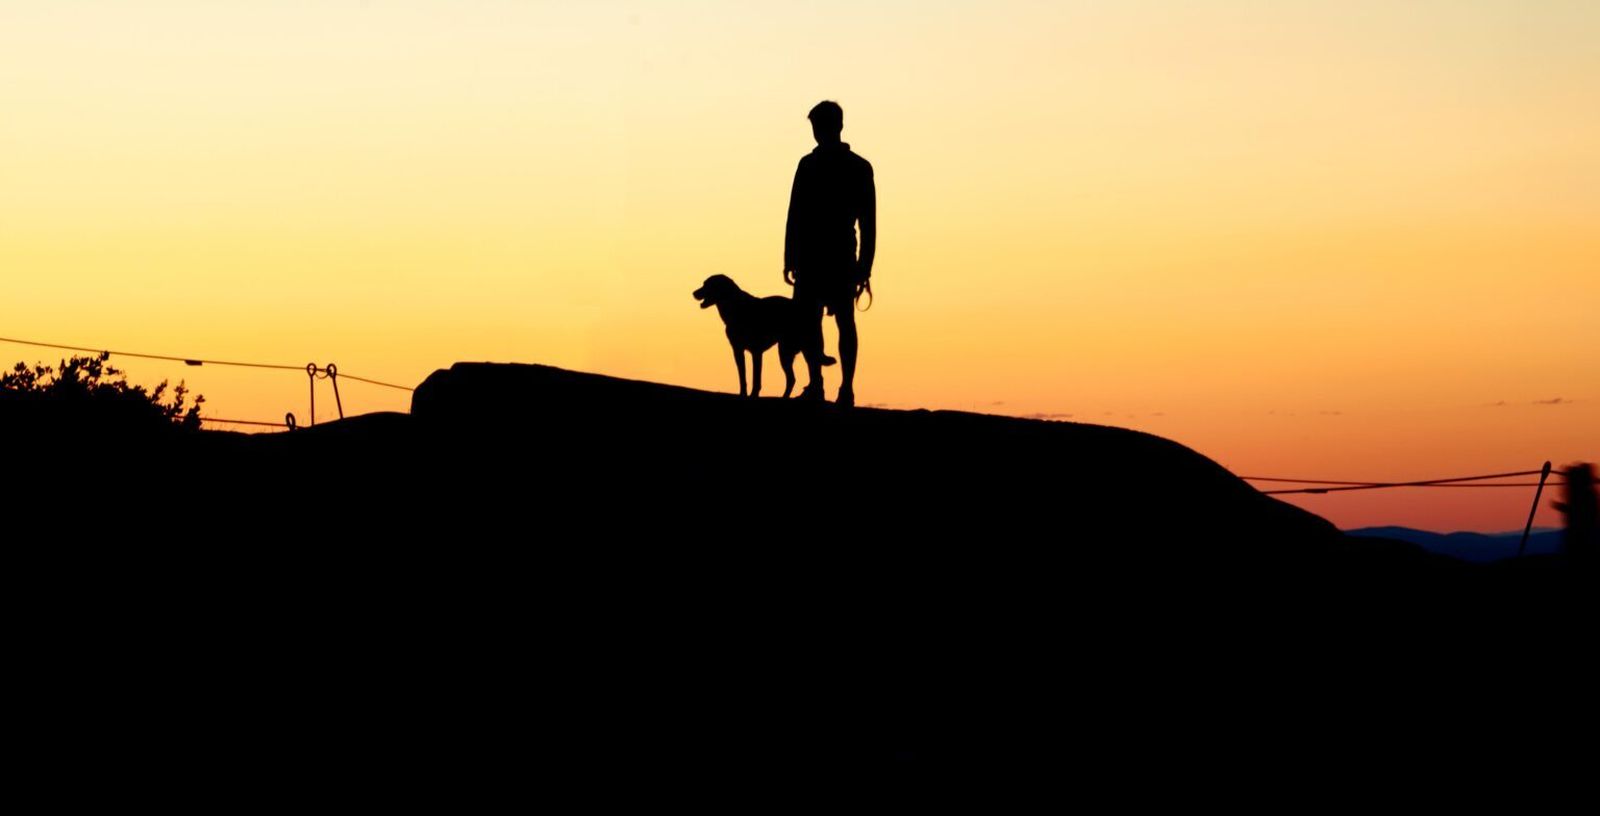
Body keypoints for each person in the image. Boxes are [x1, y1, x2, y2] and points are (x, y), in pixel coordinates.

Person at [783, 100, 875, 406]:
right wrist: (790, 257)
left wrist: (865, 266)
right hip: (820, 258)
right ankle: (819, 385)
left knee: (840, 321)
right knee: (813, 322)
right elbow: (795, 214)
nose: (816, 132)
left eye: (818, 126)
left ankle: (842, 387)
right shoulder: (814, 165)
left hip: (832, 258)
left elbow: (868, 222)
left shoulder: (854, 168)